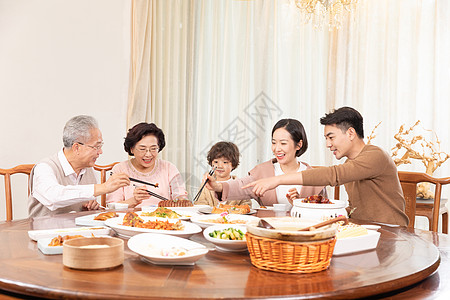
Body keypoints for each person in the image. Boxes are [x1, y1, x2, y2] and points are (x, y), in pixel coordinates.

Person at [244, 107, 409, 226]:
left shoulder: (375, 156)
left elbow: (334, 175)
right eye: (326, 139)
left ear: (351, 133)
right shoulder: (350, 164)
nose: (328, 144)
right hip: (366, 230)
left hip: (391, 232)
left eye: (331, 137)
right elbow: (357, 208)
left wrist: (277, 181)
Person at [205, 119, 326, 208]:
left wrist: (299, 203)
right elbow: (241, 186)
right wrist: (218, 187)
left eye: (283, 143)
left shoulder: (314, 178)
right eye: (274, 142)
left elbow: (324, 213)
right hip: (267, 234)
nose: (277, 149)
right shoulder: (263, 171)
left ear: (299, 145)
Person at [28, 115, 130, 217]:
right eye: (96, 146)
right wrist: (104, 187)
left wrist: (89, 207)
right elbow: (53, 197)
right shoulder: (45, 167)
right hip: (44, 230)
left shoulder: (88, 170)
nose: (100, 152)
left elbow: (81, 204)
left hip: (76, 231)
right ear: (77, 147)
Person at [107, 122, 188, 207]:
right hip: (131, 218)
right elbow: (112, 206)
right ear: (132, 149)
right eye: (142, 149)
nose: (148, 154)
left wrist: (181, 199)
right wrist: (134, 200)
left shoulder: (168, 168)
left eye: (153, 149)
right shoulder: (120, 170)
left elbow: (181, 197)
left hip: (163, 218)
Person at [195, 141, 251, 207]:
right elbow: (199, 205)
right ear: (211, 163)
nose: (220, 166)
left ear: (233, 165)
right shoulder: (206, 184)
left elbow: (246, 207)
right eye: (216, 162)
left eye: (225, 162)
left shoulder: (240, 186)